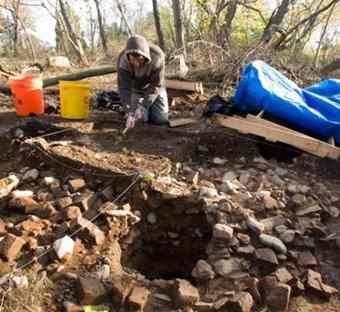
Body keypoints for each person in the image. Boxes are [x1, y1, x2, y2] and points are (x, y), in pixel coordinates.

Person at [117, 35, 169, 130]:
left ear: (145, 56)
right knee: (139, 119)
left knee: (161, 119)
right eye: (132, 60)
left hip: (155, 88)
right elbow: (124, 88)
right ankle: (143, 110)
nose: (136, 63)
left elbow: (156, 84)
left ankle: (151, 107)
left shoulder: (157, 56)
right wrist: (129, 111)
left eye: (140, 59)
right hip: (136, 89)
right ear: (128, 56)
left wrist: (144, 105)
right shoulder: (122, 60)